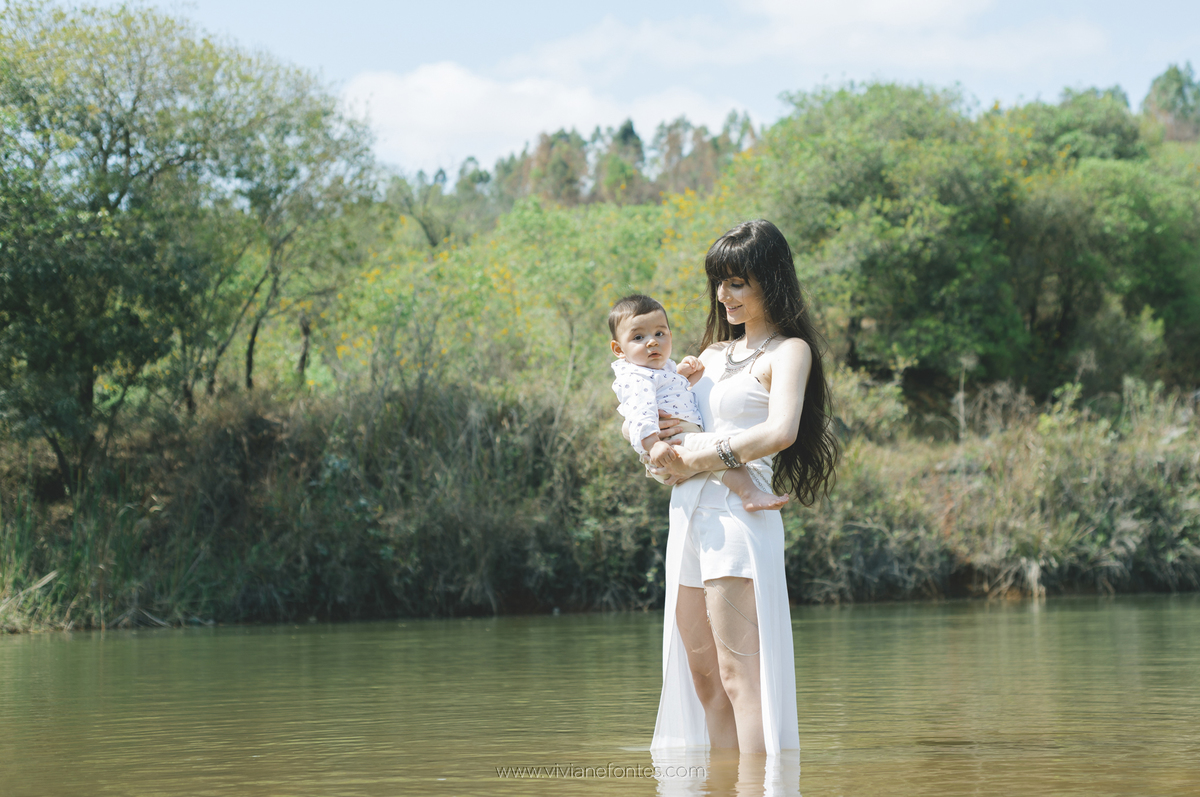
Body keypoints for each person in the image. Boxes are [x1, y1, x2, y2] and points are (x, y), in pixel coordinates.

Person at [646, 219, 838, 756]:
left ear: (770, 280)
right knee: (704, 680)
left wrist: (701, 453)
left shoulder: (788, 351)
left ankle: (759, 785)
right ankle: (722, 785)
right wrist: (664, 457)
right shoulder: (708, 356)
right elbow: (672, 429)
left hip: (736, 521)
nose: (722, 296)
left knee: (738, 678)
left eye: (736, 283)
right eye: (718, 283)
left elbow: (780, 432)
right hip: (687, 517)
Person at [609, 294, 788, 513]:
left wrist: (681, 374)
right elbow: (640, 413)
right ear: (619, 350)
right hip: (671, 441)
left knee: (717, 455)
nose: (652, 341)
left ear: (670, 336)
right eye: (638, 337)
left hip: (680, 437)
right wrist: (653, 444)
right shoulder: (637, 378)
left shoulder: (660, 371)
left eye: (659, 333)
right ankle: (749, 493)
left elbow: (670, 392)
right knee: (722, 448)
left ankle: (748, 492)